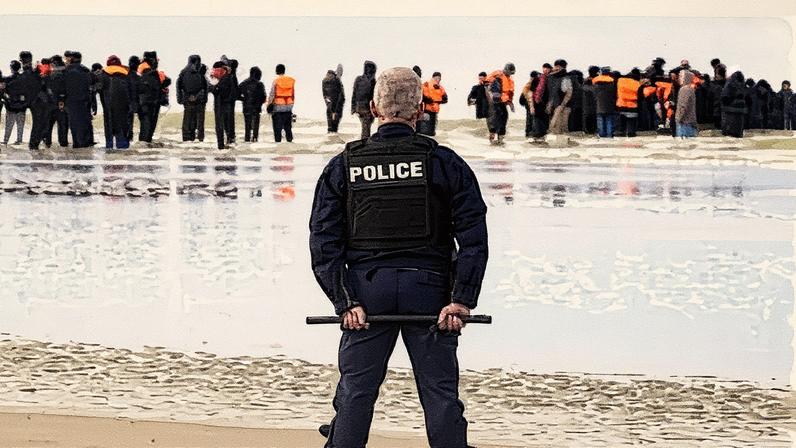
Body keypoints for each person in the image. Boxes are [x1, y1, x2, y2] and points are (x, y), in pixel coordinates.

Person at [309, 66, 488, 448]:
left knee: (357, 391)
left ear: (373, 108)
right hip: (430, 294)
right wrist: (460, 300)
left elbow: (324, 239)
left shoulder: (344, 165)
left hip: (366, 296)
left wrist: (345, 301)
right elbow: (473, 235)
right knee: (439, 393)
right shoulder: (444, 161)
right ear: (420, 111)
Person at [98, 55, 134, 149]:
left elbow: (97, 88)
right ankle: (123, 150)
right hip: (124, 108)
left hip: (108, 107)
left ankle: (109, 151)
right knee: (123, 130)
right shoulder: (128, 73)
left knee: (109, 131)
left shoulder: (103, 74)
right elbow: (133, 90)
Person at [137, 51, 171, 144]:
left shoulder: (140, 69)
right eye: (156, 60)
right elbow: (165, 81)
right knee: (148, 125)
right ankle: (145, 145)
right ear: (153, 60)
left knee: (146, 124)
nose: (157, 62)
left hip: (144, 101)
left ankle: (144, 144)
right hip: (151, 102)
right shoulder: (150, 72)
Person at [62, 51, 95, 148]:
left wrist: (62, 99)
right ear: (80, 59)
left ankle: (77, 143)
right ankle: (86, 142)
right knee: (84, 121)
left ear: (72, 59)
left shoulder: (66, 70)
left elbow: (63, 86)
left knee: (74, 123)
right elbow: (92, 83)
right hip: (84, 99)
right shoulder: (85, 70)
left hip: (71, 100)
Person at [177, 55, 208, 142]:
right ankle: (198, 140)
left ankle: (187, 140)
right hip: (199, 101)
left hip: (188, 100)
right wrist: (201, 97)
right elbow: (205, 87)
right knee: (199, 123)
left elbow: (179, 86)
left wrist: (182, 99)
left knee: (188, 121)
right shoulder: (200, 73)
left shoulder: (183, 72)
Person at [485, 62, 516, 145]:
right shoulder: (498, 74)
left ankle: (500, 140)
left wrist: (510, 103)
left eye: (511, 73)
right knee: (493, 120)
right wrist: (492, 93)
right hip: (495, 102)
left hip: (503, 103)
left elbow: (510, 93)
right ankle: (492, 139)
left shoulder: (510, 81)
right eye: (509, 72)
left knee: (504, 118)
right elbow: (487, 83)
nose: (510, 74)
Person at [43, 55, 69, 148]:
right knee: (62, 126)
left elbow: (44, 89)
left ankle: (48, 144)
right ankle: (63, 145)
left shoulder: (49, 75)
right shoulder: (65, 74)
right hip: (60, 104)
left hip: (52, 104)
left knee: (48, 126)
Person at [209, 61, 236, 149]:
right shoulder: (228, 77)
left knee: (220, 125)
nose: (214, 71)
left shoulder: (224, 79)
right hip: (226, 104)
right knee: (226, 124)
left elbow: (218, 91)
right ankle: (227, 142)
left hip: (221, 104)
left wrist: (213, 87)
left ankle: (221, 145)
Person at [266, 64, 295, 143]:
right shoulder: (290, 80)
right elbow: (292, 94)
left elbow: (272, 94)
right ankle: (290, 142)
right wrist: (291, 105)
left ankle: (278, 144)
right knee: (288, 128)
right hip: (288, 107)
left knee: (277, 129)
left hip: (278, 108)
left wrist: (269, 105)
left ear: (277, 71)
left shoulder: (276, 81)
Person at [238, 66, 266, 142]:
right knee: (256, 124)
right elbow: (264, 97)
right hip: (256, 107)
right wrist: (260, 102)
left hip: (246, 106)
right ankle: (254, 138)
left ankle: (247, 139)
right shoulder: (260, 84)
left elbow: (236, 94)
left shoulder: (244, 83)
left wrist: (244, 99)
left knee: (247, 125)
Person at [546, 59, 573, 135]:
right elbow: (551, 93)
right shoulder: (551, 77)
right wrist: (550, 104)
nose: (555, 68)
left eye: (557, 66)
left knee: (560, 127)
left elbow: (568, 93)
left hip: (563, 106)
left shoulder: (565, 78)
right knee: (554, 127)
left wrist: (562, 105)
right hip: (554, 105)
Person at [351, 60, 377, 139]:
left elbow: (354, 94)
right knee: (366, 128)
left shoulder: (358, 79)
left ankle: (364, 143)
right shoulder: (372, 81)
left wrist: (353, 108)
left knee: (365, 127)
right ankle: (364, 144)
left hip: (359, 108)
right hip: (368, 109)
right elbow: (374, 96)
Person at [2, 60, 26, 145]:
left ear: (11, 69)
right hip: (22, 106)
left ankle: (6, 140)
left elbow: (4, 91)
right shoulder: (24, 79)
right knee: (20, 125)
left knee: (8, 125)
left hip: (11, 105)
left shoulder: (7, 79)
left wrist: (6, 100)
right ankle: (19, 140)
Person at [418, 72, 448, 136]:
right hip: (427, 110)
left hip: (434, 111)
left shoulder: (440, 88)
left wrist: (436, 101)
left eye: (439, 78)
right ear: (433, 78)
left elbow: (445, 99)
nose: (438, 80)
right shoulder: (426, 85)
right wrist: (430, 100)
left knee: (430, 131)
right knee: (427, 130)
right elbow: (422, 96)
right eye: (437, 78)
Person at [721, 71, 747, 138]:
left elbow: (724, 98)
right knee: (738, 136)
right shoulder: (743, 85)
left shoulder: (729, 84)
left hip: (729, 114)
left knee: (728, 137)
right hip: (740, 115)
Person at [616, 68, 641, 137]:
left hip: (621, 105)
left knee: (622, 122)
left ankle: (621, 133)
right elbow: (640, 95)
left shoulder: (620, 81)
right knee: (631, 122)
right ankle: (631, 134)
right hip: (633, 106)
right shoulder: (637, 83)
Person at [592, 67, 616, 138]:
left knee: (600, 119)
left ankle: (602, 134)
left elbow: (594, 93)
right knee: (609, 119)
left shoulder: (595, 81)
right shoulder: (612, 81)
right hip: (609, 104)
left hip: (599, 103)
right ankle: (609, 134)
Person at [530, 63, 551, 141]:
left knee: (545, 122)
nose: (545, 69)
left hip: (546, 104)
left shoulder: (551, 79)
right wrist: (531, 106)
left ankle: (542, 139)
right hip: (537, 103)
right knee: (537, 121)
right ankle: (537, 139)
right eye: (544, 68)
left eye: (547, 68)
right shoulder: (537, 79)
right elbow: (531, 93)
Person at [322, 64, 345, 134]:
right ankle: (334, 140)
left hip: (329, 104)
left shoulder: (324, 80)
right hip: (336, 105)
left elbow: (324, 94)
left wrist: (328, 104)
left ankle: (330, 139)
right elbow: (338, 95)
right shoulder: (336, 80)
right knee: (335, 125)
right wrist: (334, 109)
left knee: (330, 125)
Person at [675, 70, 698, 138]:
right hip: (690, 122)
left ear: (686, 78)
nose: (679, 78)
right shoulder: (691, 89)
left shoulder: (684, 89)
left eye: (681, 76)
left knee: (683, 146)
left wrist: (678, 119)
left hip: (684, 123)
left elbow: (683, 106)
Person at [520, 71, 539, 138]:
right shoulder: (533, 83)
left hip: (528, 104)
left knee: (529, 119)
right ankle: (531, 134)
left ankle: (528, 134)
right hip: (531, 103)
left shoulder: (527, 84)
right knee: (532, 119)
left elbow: (522, 98)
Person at [126, 55, 140, 142]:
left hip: (124, 103)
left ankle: (126, 140)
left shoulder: (124, 76)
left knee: (126, 124)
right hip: (133, 103)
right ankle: (129, 140)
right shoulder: (138, 77)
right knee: (130, 125)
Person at [581, 66, 599, 135]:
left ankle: (587, 131)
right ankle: (593, 131)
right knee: (594, 117)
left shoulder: (585, 81)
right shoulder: (597, 81)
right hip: (595, 103)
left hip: (586, 103)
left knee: (587, 117)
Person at [709, 65, 727, 130]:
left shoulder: (713, 86)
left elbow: (710, 99)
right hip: (726, 113)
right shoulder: (728, 85)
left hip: (716, 113)